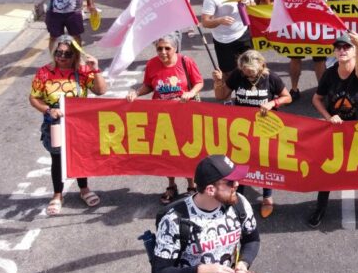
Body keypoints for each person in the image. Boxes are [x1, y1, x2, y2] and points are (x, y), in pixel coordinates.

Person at [152, 155, 259, 273]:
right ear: (210, 190)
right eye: (230, 182)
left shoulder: (239, 203)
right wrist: (200, 271)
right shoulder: (174, 220)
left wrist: (244, 263)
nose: (236, 184)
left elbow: (252, 239)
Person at [308, 32, 358, 228]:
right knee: (328, 168)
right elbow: (316, 98)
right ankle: (320, 207)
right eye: (338, 47)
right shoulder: (329, 73)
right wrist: (328, 116)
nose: (341, 50)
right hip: (336, 129)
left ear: (354, 51)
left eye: (346, 47)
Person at [28, 35, 107, 215]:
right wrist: (48, 110)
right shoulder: (44, 73)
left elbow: (101, 90)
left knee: (79, 156)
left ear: (75, 56)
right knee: (57, 158)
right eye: (58, 52)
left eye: (67, 54)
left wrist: (96, 70)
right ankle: (58, 195)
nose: (62, 57)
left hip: (79, 123)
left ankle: (84, 189)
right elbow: (33, 98)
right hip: (54, 123)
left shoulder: (83, 71)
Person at [126, 33, 205, 203]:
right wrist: (137, 93)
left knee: (186, 150)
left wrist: (190, 93)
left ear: (175, 48)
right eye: (159, 49)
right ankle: (171, 185)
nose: (163, 52)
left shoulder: (186, 61)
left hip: (185, 115)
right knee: (167, 152)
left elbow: (199, 82)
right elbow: (148, 85)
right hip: (161, 116)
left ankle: (191, 185)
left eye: (167, 48)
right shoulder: (152, 64)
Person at [212, 50, 291, 219]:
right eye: (245, 71)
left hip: (265, 128)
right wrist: (218, 81)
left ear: (261, 66)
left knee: (264, 161)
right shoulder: (238, 75)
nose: (248, 75)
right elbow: (221, 96)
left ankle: (267, 197)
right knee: (240, 161)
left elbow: (287, 97)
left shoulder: (271, 78)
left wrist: (273, 102)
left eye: (252, 72)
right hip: (242, 129)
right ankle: (236, 195)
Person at [285, 0, 358, 100]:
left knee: (319, 60)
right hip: (296, 24)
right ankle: (294, 88)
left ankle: (322, 91)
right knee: (295, 57)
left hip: (318, 25)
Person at [201, 0, 254, 75]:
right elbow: (205, 22)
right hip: (224, 41)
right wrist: (219, 20)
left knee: (250, 69)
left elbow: (253, 3)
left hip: (243, 35)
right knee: (229, 74)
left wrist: (249, 2)